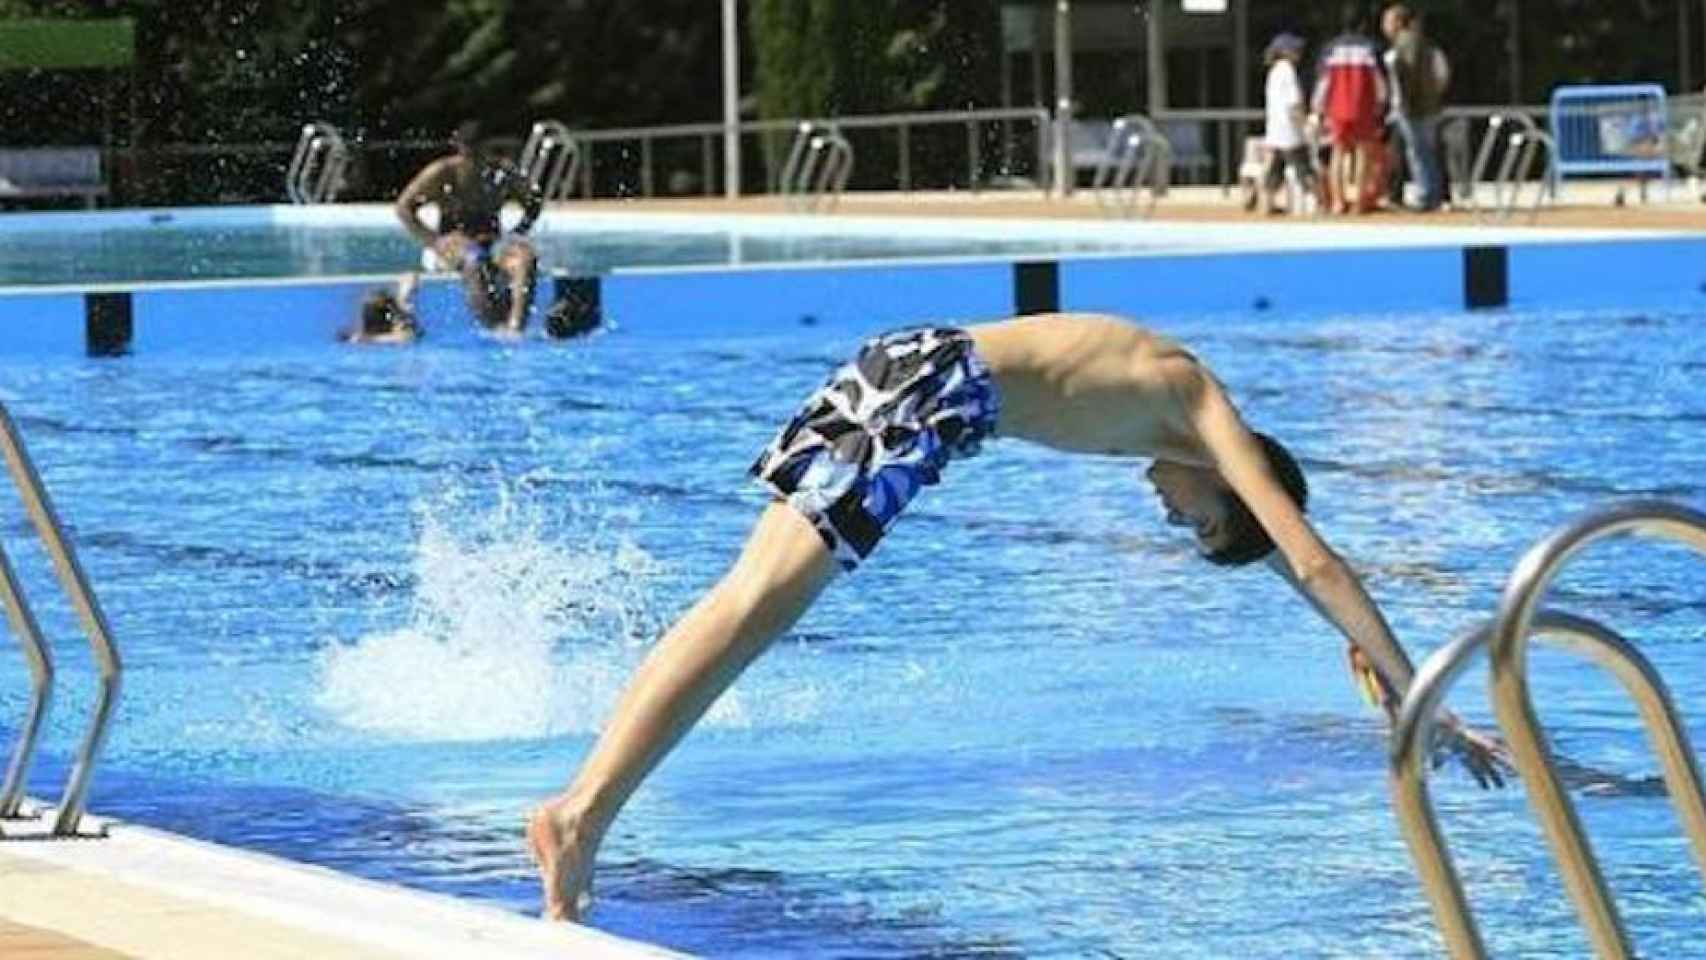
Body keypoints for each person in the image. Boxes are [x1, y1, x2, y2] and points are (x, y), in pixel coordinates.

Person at [525, 312, 1512, 921]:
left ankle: (585, 814)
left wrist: (1390, 690)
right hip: (933, 394)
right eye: (1202, 525)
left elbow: (1304, 580)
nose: (1174, 518)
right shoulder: (1203, 407)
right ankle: (579, 816)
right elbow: (1311, 557)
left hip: (917, 376)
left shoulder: (1183, 411)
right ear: (1234, 489)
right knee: (747, 614)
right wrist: (1430, 697)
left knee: (748, 609)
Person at [395, 121, 543, 335]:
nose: (474, 158)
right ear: (460, 149)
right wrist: (434, 241)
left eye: (480, 151)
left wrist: (517, 232)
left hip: (492, 241)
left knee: (525, 258)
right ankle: (493, 327)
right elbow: (404, 208)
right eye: (470, 151)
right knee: (474, 258)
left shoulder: (501, 173)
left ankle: (515, 328)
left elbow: (533, 202)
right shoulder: (443, 173)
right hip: (453, 242)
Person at [1312, 6, 1388, 214]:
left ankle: (1338, 201)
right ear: (1364, 25)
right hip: (1363, 106)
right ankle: (1359, 202)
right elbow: (1380, 82)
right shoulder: (1371, 48)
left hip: (1336, 108)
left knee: (1338, 152)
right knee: (1363, 152)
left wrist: (1318, 109)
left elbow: (1323, 83)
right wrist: (1382, 105)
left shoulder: (1330, 49)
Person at [1381, 4, 1451, 211]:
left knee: (1418, 153)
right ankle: (1434, 194)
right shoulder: (1426, 45)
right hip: (1428, 106)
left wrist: (1405, 102)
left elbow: (1405, 78)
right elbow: (1441, 75)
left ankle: (1426, 196)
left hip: (1412, 108)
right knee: (1426, 152)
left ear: (1398, 23)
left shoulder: (1403, 46)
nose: (1384, 26)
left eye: (1388, 21)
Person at [1258, 32, 1319, 215]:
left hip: (1275, 130)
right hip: (1290, 132)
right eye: (1295, 49)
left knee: (1275, 171)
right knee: (1304, 169)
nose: (1299, 52)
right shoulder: (1288, 71)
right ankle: (1314, 205)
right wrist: (1305, 124)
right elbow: (1293, 104)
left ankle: (1266, 204)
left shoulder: (1274, 71)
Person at [340, 273, 421, 345]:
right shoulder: (386, 306)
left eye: (415, 290)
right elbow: (390, 317)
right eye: (412, 288)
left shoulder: (404, 310)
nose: (413, 294)